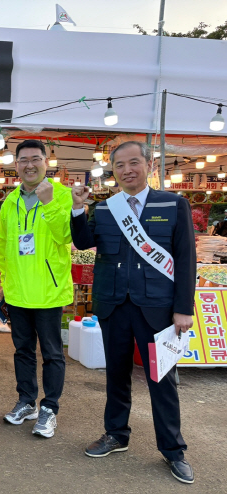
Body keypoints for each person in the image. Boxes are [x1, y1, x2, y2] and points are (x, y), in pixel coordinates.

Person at [71, 141, 196, 484]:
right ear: (113, 170)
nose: (127, 170)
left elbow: (186, 259)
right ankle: (116, 435)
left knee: (162, 381)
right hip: (114, 306)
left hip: (158, 309)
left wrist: (184, 308)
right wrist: (78, 210)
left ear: (149, 164)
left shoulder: (173, 204)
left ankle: (173, 450)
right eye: (120, 165)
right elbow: (84, 244)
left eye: (134, 163)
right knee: (116, 376)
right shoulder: (106, 208)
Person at [0, 139, 73, 438]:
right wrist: (5, 280)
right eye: (23, 160)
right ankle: (27, 401)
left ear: (45, 162)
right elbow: (2, 244)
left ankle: (49, 408)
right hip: (17, 291)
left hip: (49, 291)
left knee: (52, 353)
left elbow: (65, 236)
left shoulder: (62, 195)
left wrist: (50, 203)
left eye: (36, 159)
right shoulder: (9, 201)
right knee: (22, 350)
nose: (30, 164)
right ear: (16, 165)